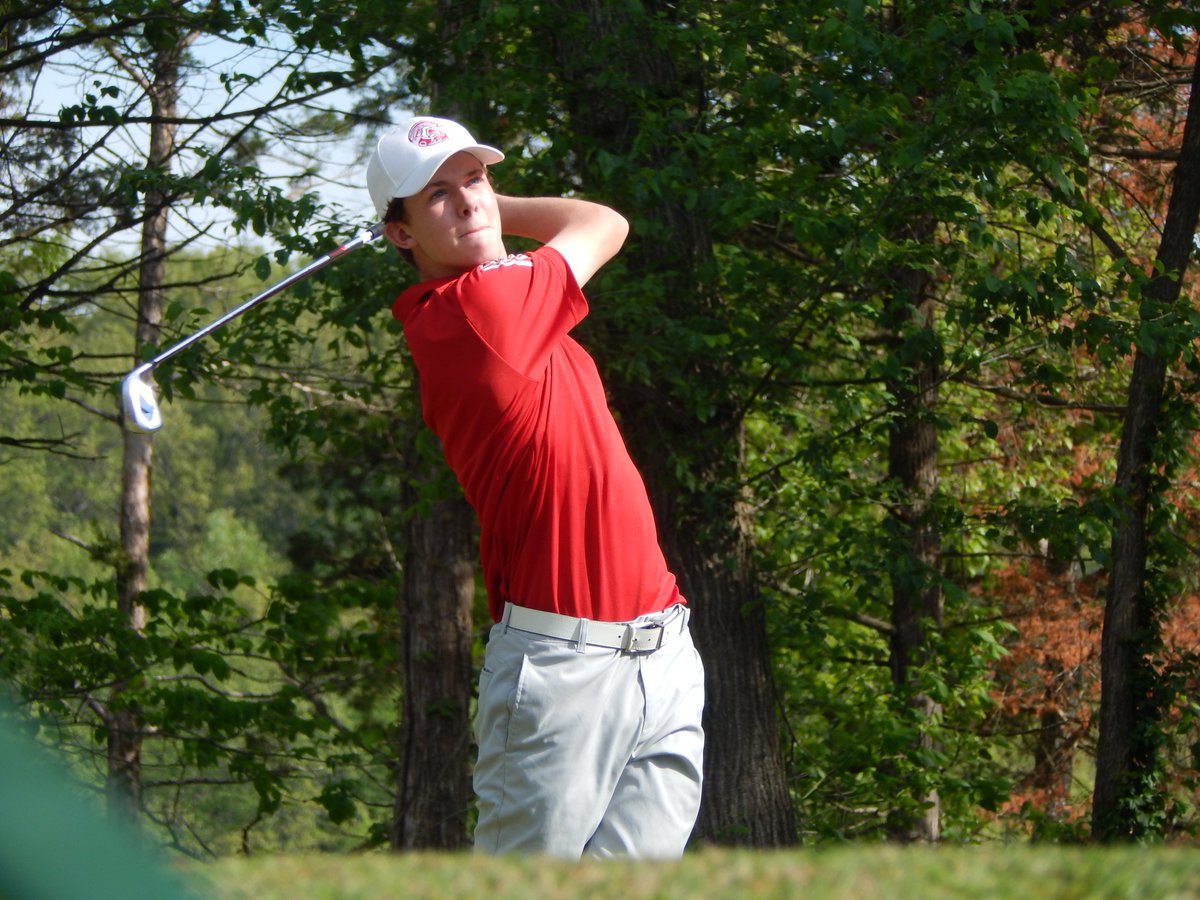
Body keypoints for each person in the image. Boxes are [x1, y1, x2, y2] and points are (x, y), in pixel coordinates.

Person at [366, 115, 705, 860]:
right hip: (563, 671)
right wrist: (500, 206)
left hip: (663, 650)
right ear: (398, 234)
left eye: (476, 180)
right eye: (437, 198)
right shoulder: (481, 310)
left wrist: (472, 203)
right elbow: (602, 221)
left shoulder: (503, 305)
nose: (470, 204)